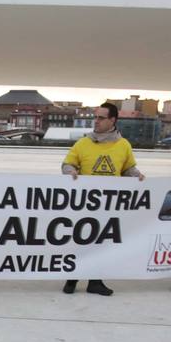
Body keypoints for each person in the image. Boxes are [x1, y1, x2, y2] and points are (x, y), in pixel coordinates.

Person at [61, 102, 145, 297]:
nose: (96, 121)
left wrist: (137, 176)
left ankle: (95, 282)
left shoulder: (123, 145)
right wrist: (71, 170)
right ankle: (72, 278)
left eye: (101, 118)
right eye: (95, 117)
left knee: (103, 244)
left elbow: (127, 169)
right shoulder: (83, 143)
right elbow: (67, 163)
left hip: (109, 205)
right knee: (81, 241)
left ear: (112, 120)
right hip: (86, 203)